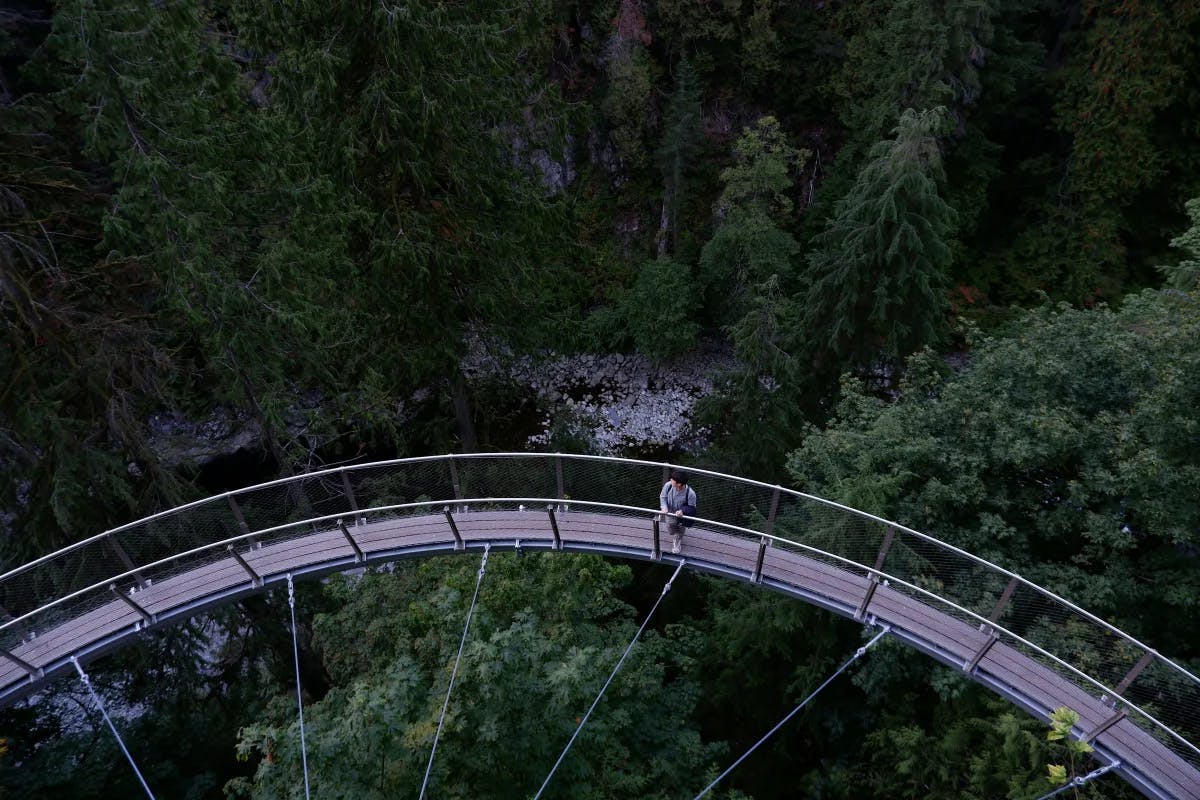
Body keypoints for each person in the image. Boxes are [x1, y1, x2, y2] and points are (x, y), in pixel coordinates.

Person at [659, 469, 697, 554]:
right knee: (671, 530)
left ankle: (677, 541)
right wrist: (664, 507)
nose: (670, 480)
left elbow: (692, 508)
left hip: (681, 515)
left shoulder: (690, 493)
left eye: (673, 480)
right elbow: (663, 497)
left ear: (679, 484)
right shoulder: (668, 485)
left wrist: (682, 512)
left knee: (680, 528)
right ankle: (677, 535)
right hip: (670, 512)